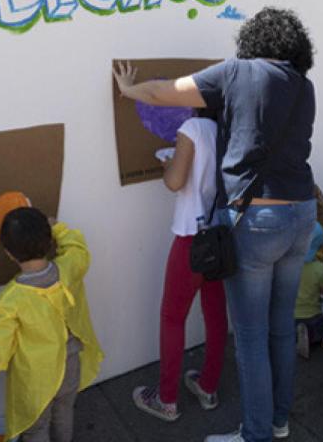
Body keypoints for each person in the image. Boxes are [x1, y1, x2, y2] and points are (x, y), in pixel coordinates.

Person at [113, 6, 317, 442]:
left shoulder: (239, 71)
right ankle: (279, 422)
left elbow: (165, 92)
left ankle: (255, 433)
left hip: (260, 217)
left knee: (249, 336)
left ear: (253, 40)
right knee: (280, 326)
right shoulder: (304, 85)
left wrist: (130, 89)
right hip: (302, 212)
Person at [0, 207, 103, 442]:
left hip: (35, 379)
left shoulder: (11, 300)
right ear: (49, 241)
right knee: (63, 412)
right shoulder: (69, 268)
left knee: (35, 428)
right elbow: (79, 249)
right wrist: (58, 227)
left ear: (8, 253)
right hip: (71, 366)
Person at [133, 108, 228, 421]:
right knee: (215, 315)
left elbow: (175, 182)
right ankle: (208, 387)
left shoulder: (193, 127)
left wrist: (167, 165)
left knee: (172, 317)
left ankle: (166, 399)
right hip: (220, 236)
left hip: (191, 237)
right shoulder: (228, 127)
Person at [295, 223, 323, 360]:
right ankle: (312, 337)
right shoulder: (318, 268)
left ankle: (298, 336)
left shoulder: (285, 268)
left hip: (289, 316)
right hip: (312, 315)